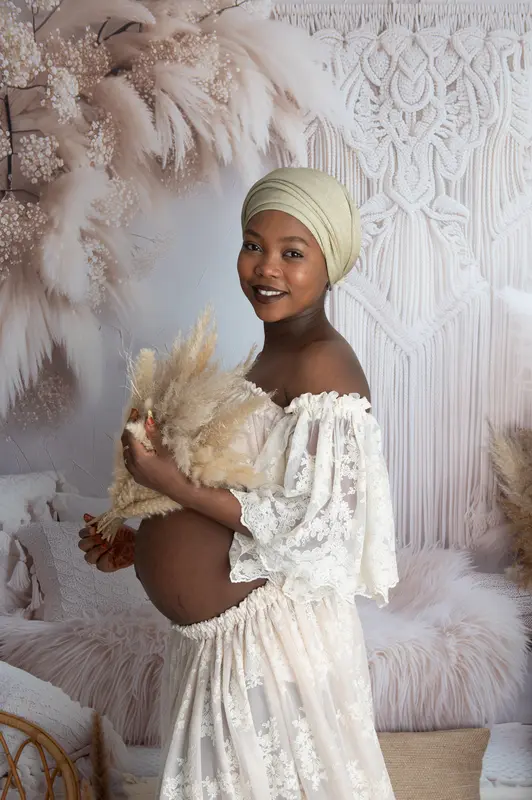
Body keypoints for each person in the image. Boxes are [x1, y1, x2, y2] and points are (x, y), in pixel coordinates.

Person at [79, 167, 398, 799]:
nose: (266, 267)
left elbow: (323, 527)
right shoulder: (269, 355)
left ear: (330, 265)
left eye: (292, 253)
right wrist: (141, 543)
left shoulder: (322, 362)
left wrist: (174, 482)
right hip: (218, 646)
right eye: (254, 245)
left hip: (269, 645)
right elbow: (250, 493)